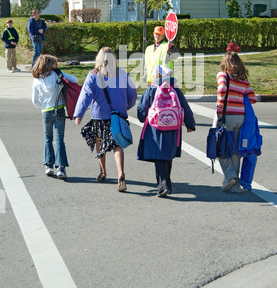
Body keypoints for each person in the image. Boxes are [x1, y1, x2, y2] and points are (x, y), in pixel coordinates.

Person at [74, 47, 137, 192]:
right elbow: (132, 93)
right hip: (118, 115)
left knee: (99, 142)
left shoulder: (93, 75)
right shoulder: (121, 74)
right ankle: (121, 173)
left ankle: (103, 172)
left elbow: (85, 96)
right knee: (117, 144)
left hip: (99, 115)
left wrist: (79, 114)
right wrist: (126, 106)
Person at [137, 65, 195, 198]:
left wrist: (142, 118)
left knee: (159, 156)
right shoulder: (175, 89)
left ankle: (164, 185)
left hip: (155, 127)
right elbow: (184, 107)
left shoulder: (152, 89)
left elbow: (142, 107)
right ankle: (166, 181)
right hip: (173, 127)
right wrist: (189, 124)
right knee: (168, 155)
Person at [216, 48, 257, 192]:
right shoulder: (243, 80)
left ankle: (230, 175)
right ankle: (235, 185)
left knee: (220, 148)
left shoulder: (222, 75)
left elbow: (221, 91)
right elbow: (253, 98)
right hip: (241, 117)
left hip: (227, 116)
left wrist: (220, 110)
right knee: (235, 151)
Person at [32, 54, 79, 180]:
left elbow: (35, 101)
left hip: (45, 112)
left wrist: (43, 105)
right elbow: (74, 79)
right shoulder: (57, 75)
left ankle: (48, 166)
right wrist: (59, 73)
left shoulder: (37, 79)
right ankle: (61, 168)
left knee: (47, 138)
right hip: (58, 110)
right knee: (59, 140)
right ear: (51, 65)